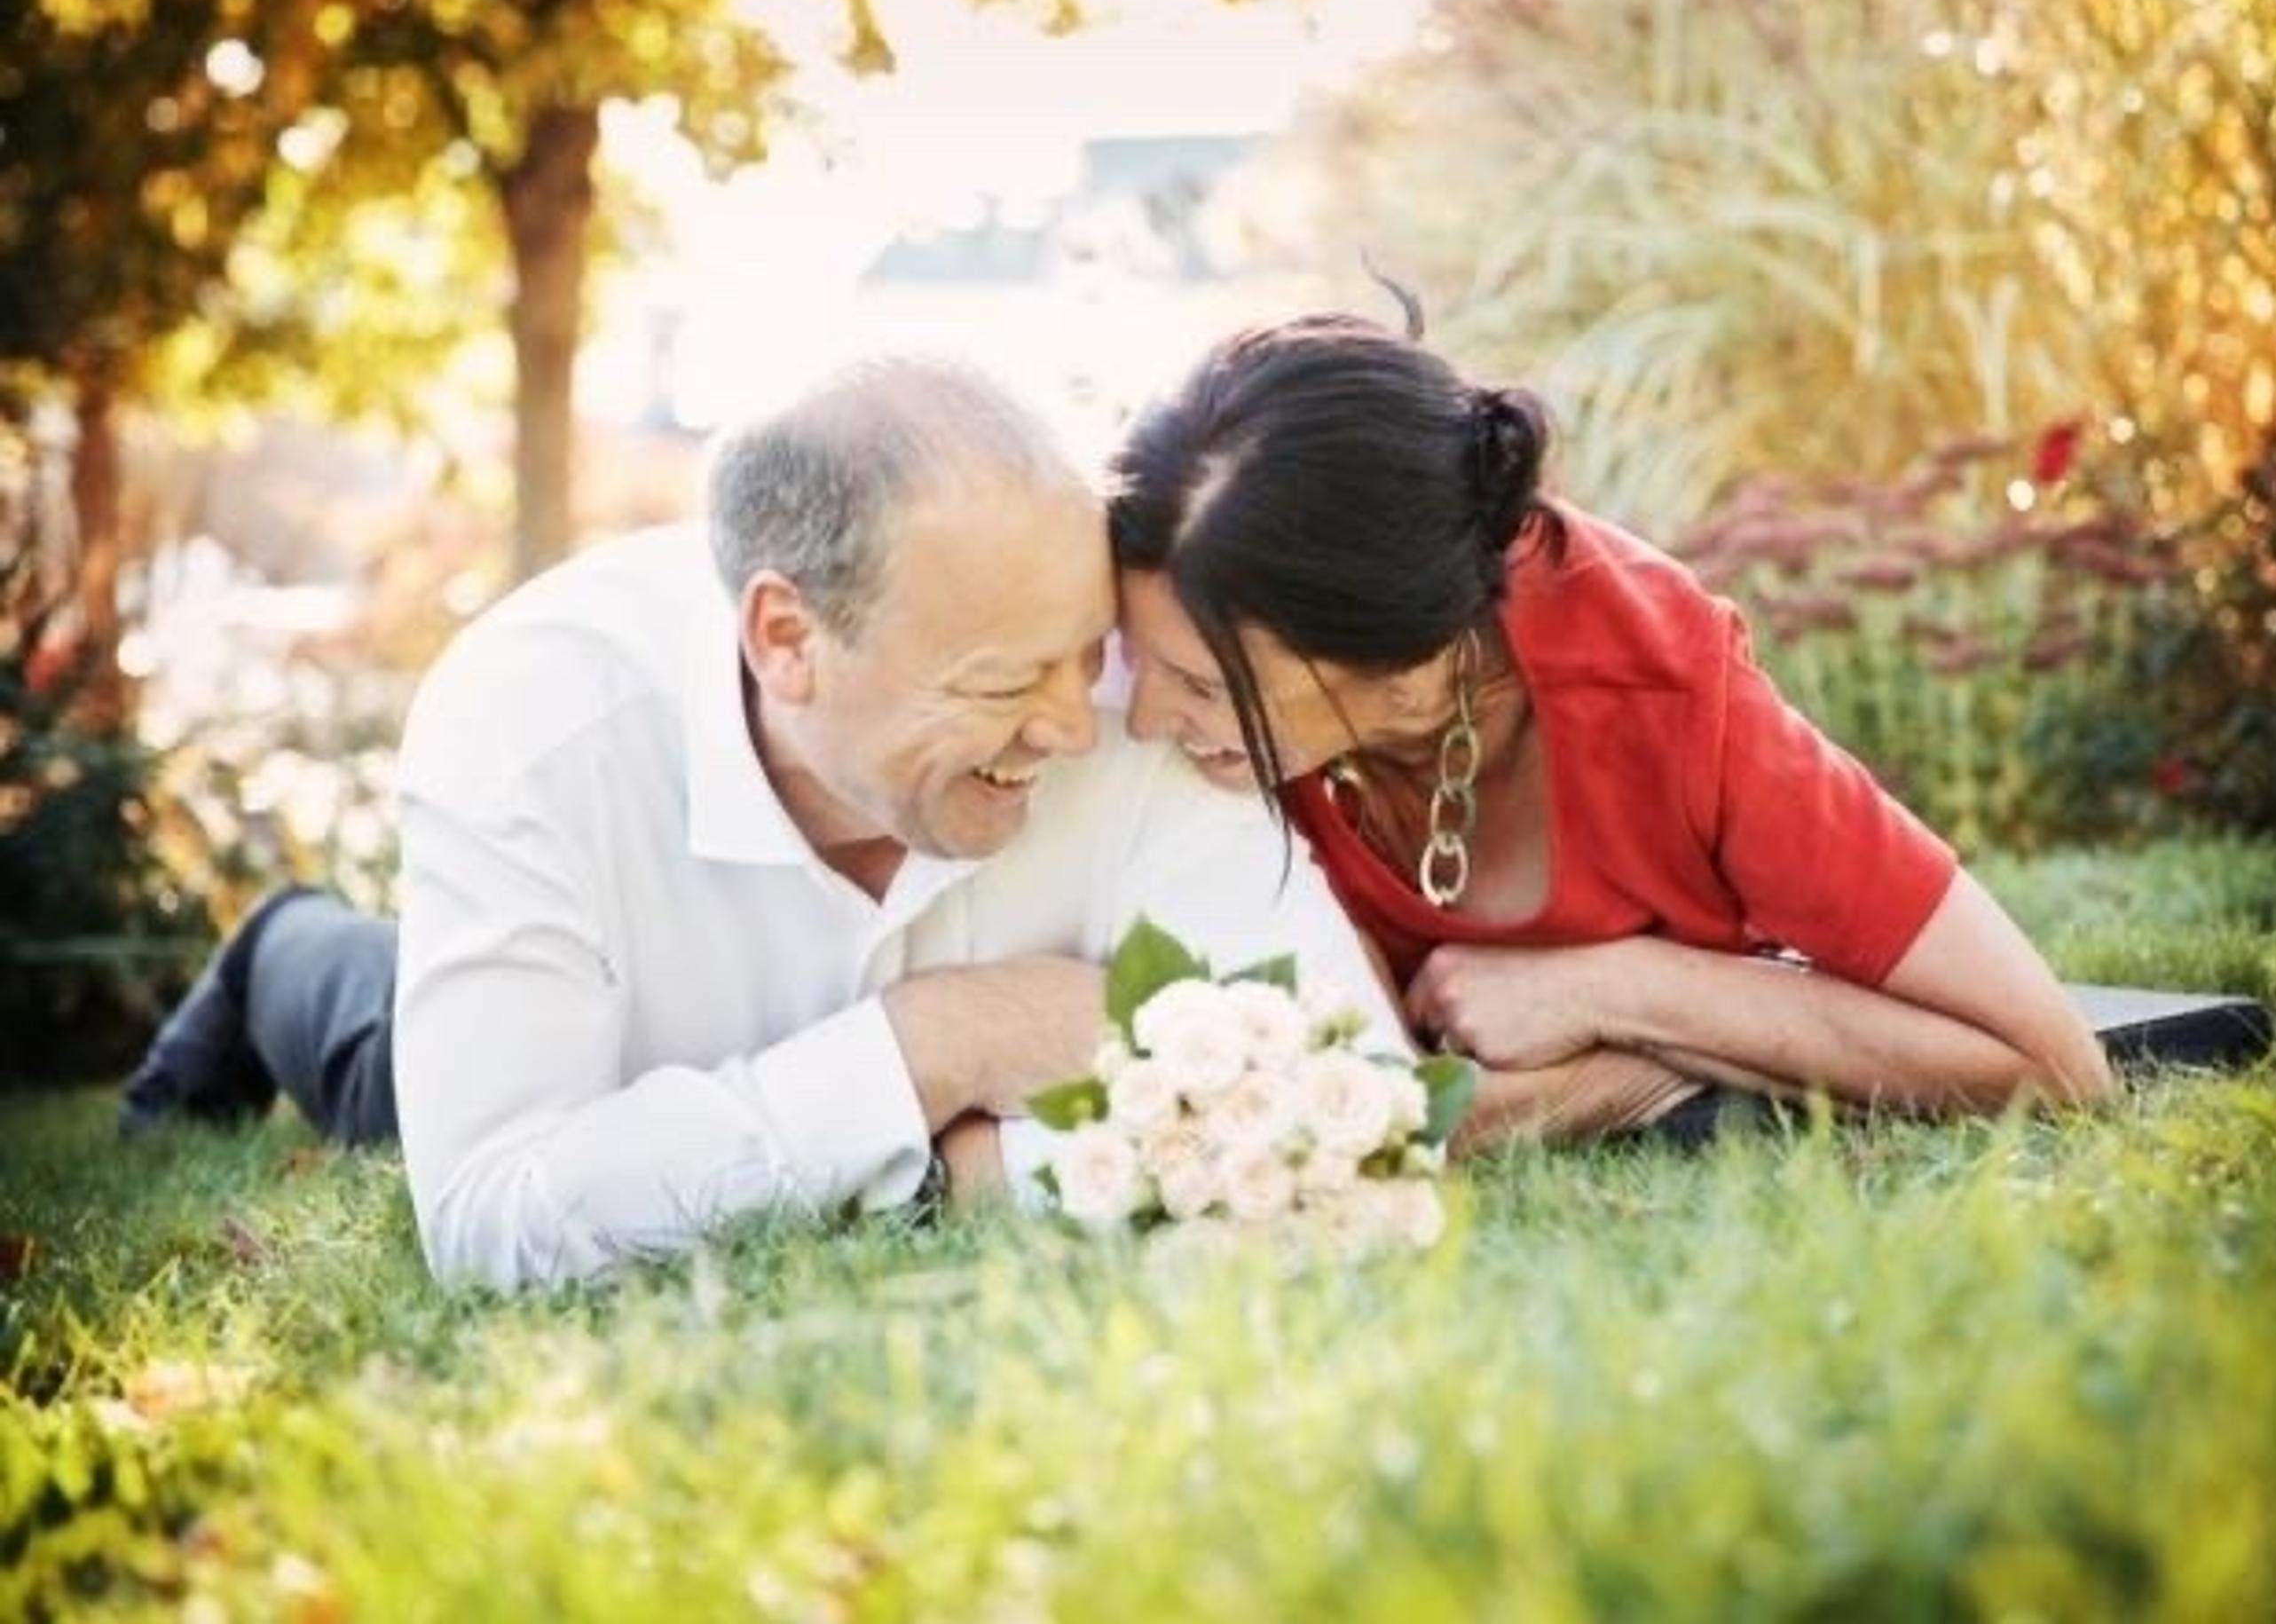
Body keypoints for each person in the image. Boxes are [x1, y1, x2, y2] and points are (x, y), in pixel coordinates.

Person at [121, 358, 1398, 1290]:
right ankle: (274, 951)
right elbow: (495, 1217)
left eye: (1084, 655)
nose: (1076, 724)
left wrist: (982, 1178)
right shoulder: (535, 723)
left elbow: (1362, 1108)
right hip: (590, 1041)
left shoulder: (1130, 705)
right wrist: (936, 1046)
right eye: (1006, 684)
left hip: (676, 1107)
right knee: (367, 1041)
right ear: (789, 641)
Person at [1106, 307, 2113, 1147]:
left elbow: (2055, 1067)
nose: (1146, 717)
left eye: (1199, 685)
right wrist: (1625, 1083)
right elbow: (1395, 1113)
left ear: (1386, 643)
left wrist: (1618, 991)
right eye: (1141, 664)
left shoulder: (1654, 684)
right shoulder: (1222, 720)